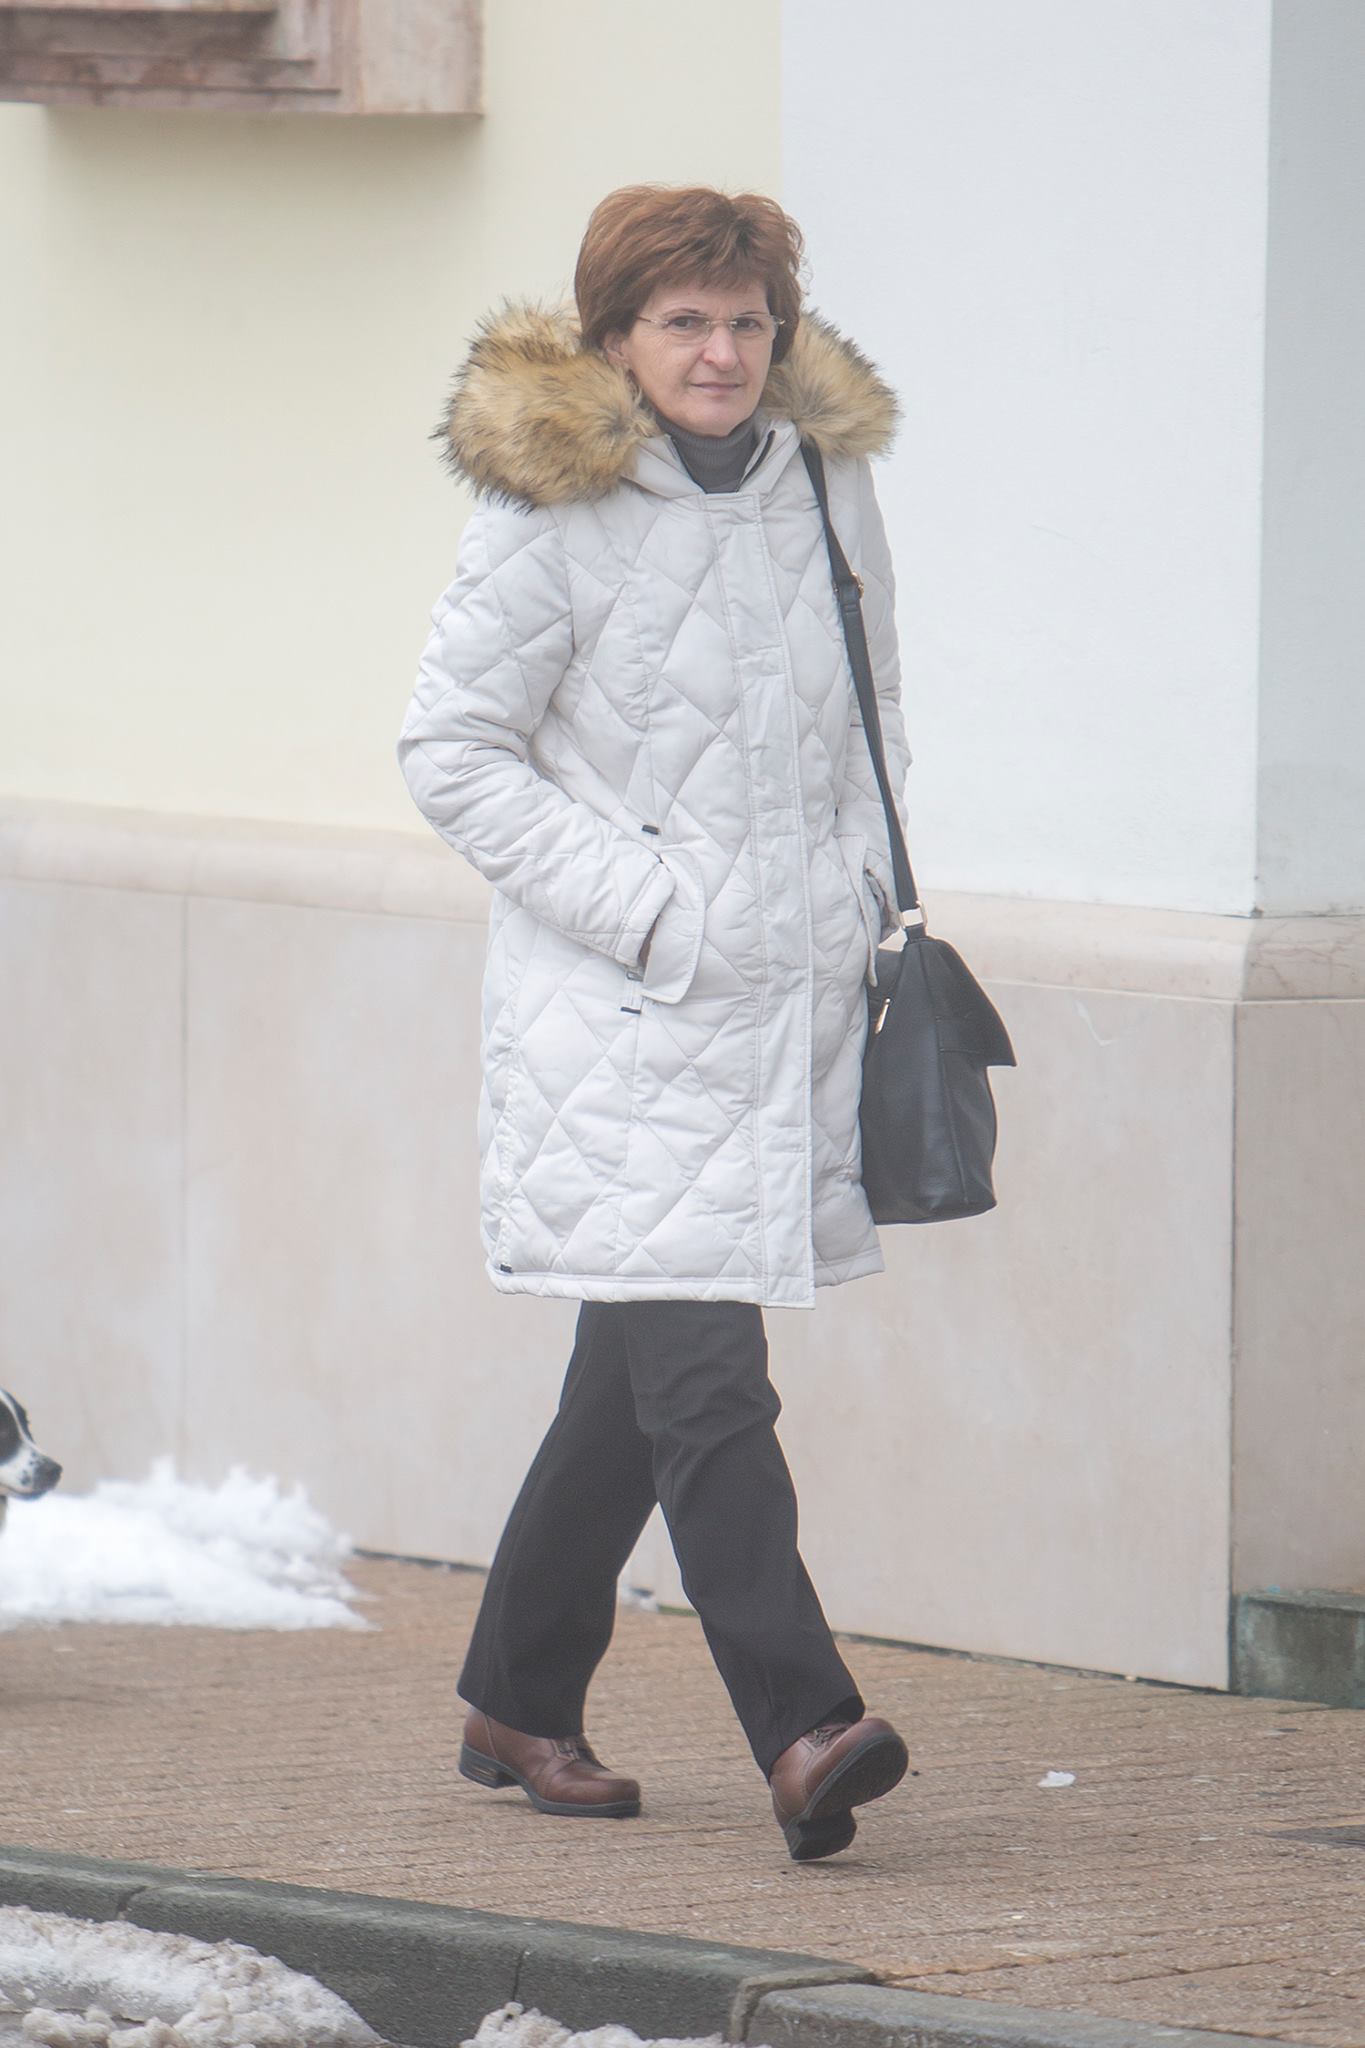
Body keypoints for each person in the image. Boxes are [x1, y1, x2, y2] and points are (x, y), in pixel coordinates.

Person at [398, 185, 912, 1862]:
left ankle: (513, 1697)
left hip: (783, 1011)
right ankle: (805, 1725)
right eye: (684, 322)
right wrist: (648, 910)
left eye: (747, 320)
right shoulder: (552, 508)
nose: (721, 352)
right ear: (615, 337)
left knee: (628, 1390)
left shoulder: (819, 481)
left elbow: (872, 713)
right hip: (623, 1024)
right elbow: (450, 752)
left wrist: (855, 897)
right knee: (707, 1384)